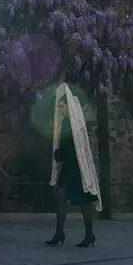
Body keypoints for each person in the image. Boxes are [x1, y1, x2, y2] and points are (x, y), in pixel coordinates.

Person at [46, 83, 101, 248]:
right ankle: (60, 232)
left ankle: (88, 234)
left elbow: (74, 147)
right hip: (70, 167)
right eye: (59, 106)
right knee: (62, 197)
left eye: (61, 106)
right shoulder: (68, 122)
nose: (60, 109)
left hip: (75, 168)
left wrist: (59, 154)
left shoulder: (71, 123)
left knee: (83, 201)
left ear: (68, 106)